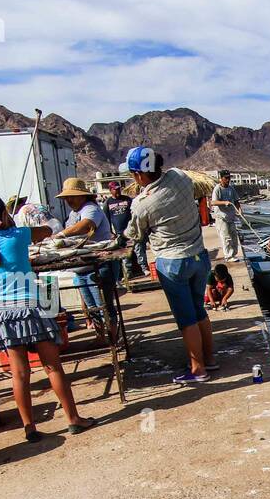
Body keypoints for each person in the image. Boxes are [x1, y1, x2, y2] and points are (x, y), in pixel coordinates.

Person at [0, 191, 95, 441]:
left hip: (3, 312)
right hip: (34, 306)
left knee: (20, 374)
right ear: (2, 213)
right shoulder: (19, 235)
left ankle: (30, 428)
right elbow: (47, 230)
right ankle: (73, 419)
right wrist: (14, 222)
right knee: (52, 367)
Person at [122, 147, 218, 385]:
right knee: (199, 311)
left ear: (139, 176)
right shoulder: (180, 177)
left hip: (173, 262)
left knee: (186, 319)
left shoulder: (142, 204)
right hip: (199, 257)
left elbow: (134, 233)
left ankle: (198, 370)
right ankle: (209, 358)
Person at [49, 177, 118, 317]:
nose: (68, 201)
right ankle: (101, 336)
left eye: (72, 197)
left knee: (103, 306)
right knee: (92, 307)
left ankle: (111, 336)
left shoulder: (90, 208)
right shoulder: (74, 213)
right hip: (82, 268)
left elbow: (87, 225)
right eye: (66, 198)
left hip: (98, 266)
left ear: (82, 196)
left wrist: (61, 234)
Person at [103, 181, 148, 279]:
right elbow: (107, 219)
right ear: (110, 190)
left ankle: (144, 268)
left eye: (119, 189)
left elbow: (135, 213)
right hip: (120, 233)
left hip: (132, 230)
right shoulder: (108, 203)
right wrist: (110, 232)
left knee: (138, 249)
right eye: (115, 189)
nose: (118, 191)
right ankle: (128, 273)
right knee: (124, 253)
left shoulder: (127, 200)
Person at [210, 170, 242, 261]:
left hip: (231, 217)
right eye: (226, 178)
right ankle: (228, 256)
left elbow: (236, 201)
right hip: (221, 218)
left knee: (234, 237)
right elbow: (213, 202)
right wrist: (224, 202)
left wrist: (239, 211)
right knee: (226, 238)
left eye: (229, 178)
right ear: (221, 179)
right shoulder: (217, 189)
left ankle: (234, 254)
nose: (228, 180)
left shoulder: (231, 188)